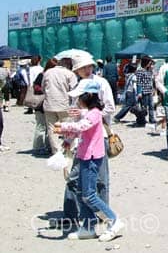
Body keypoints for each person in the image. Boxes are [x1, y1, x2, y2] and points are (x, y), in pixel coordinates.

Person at [54, 79, 124, 242]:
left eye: (79, 97)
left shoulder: (95, 113)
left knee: (90, 194)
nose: (77, 100)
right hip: (84, 155)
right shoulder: (87, 112)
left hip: (93, 157)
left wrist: (62, 127)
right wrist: (67, 140)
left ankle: (114, 220)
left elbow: (81, 127)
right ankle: (87, 227)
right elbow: (80, 128)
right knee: (81, 192)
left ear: (89, 96)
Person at [43, 57, 78, 154]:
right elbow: (75, 90)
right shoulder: (70, 74)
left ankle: (56, 151)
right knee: (68, 127)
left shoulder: (48, 72)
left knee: (51, 129)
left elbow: (43, 87)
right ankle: (69, 149)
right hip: (64, 104)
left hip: (49, 104)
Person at [32, 58, 57, 155]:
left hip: (50, 105)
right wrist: (45, 90)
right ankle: (38, 147)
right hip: (41, 104)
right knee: (40, 127)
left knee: (49, 128)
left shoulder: (53, 76)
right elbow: (35, 87)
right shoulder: (42, 75)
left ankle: (48, 146)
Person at [135, 56, 156, 126]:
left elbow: (151, 81)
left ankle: (152, 119)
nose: (150, 64)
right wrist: (139, 92)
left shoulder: (149, 70)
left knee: (151, 106)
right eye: (149, 63)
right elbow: (138, 82)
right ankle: (142, 120)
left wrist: (153, 89)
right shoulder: (140, 71)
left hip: (149, 90)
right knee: (144, 107)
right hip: (144, 91)